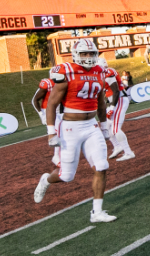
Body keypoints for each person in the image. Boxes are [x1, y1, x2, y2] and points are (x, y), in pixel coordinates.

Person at [34, 39, 116, 223]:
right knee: (66, 176)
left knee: (102, 166)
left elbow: (101, 102)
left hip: (91, 126)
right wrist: (50, 132)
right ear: (76, 55)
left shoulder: (99, 72)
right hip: (70, 127)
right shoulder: (67, 71)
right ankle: (46, 180)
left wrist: (104, 126)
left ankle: (97, 212)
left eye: (91, 53)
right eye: (84, 54)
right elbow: (52, 104)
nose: (88, 57)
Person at [97, 58, 135, 161]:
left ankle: (128, 152)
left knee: (115, 129)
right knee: (107, 127)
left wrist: (112, 107)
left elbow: (116, 91)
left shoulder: (108, 72)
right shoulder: (101, 75)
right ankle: (117, 146)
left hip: (119, 100)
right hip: (114, 101)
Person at [32, 77, 62, 165]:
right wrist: (41, 114)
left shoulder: (64, 82)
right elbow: (34, 100)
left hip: (59, 110)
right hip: (48, 111)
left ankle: (59, 155)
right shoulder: (48, 84)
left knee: (64, 130)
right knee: (57, 132)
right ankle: (56, 156)